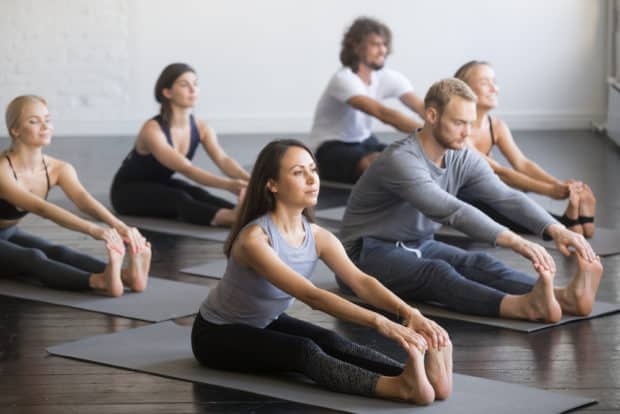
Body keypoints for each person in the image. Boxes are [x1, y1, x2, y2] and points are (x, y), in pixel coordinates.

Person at [191, 139, 452, 404]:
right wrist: (381, 322)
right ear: (272, 184)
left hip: (265, 320)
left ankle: (411, 376)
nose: (311, 179)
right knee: (302, 351)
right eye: (298, 172)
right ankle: (398, 388)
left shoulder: (317, 235)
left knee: (331, 340)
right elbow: (312, 296)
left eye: (313, 170)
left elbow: (361, 282)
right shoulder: (255, 241)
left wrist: (409, 313)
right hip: (216, 335)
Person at [340, 78, 603, 322]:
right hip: (364, 255)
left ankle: (563, 298)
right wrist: (516, 241)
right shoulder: (401, 160)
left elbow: (505, 196)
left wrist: (556, 229)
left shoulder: (462, 154)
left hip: (417, 243)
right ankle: (520, 306)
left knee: (478, 263)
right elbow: (452, 211)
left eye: (470, 122)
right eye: (459, 123)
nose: (468, 133)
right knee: (438, 274)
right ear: (432, 116)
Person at [0, 95, 150, 297]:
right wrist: (95, 230)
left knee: (58, 251)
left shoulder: (58, 168)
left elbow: (83, 199)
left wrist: (118, 226)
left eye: (48, 119)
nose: (45, 126)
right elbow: (42, 209)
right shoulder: (3, 171)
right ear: (15, 130)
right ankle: (99, 281)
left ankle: (125, 276)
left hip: (7, 233)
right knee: (32, 257)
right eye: (34, 121)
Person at [454, 60, 597, 238]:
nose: (494, 88)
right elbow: (499, 171)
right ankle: (565, 224)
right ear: (464, 90)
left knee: (508, 199)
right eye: (484, 83)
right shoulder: (457, 129)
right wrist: (549, 191)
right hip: (460, 194)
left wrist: (559, 185)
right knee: (499, 204)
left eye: (494, 82)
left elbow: (522, 164)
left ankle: (567, 221)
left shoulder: (496, 125)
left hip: (485, 188)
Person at [110, 63, 250, 227]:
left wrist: (252, 181)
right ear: (167, 92)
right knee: (179, 199)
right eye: (185, 85)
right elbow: (187, 169)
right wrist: (229, 185)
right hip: (127, 192)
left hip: (161, 184)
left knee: (198, 194)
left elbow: (224, 160)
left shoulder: (202, 128)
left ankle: (246, 215)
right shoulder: (153, 130)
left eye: (195, 84)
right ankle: (232, 218)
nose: (193, 89)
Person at [309, 17, 425, 183]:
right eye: (375, 44)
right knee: (381, 164)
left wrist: (444, 125)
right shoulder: (343, 79)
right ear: (356, 46)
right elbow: (383, 113)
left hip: (365, 141)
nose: (382, 50)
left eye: (384, 44)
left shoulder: (386, 77)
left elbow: (422, 107)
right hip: (330, 147)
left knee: (411, 157)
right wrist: (431, 133)